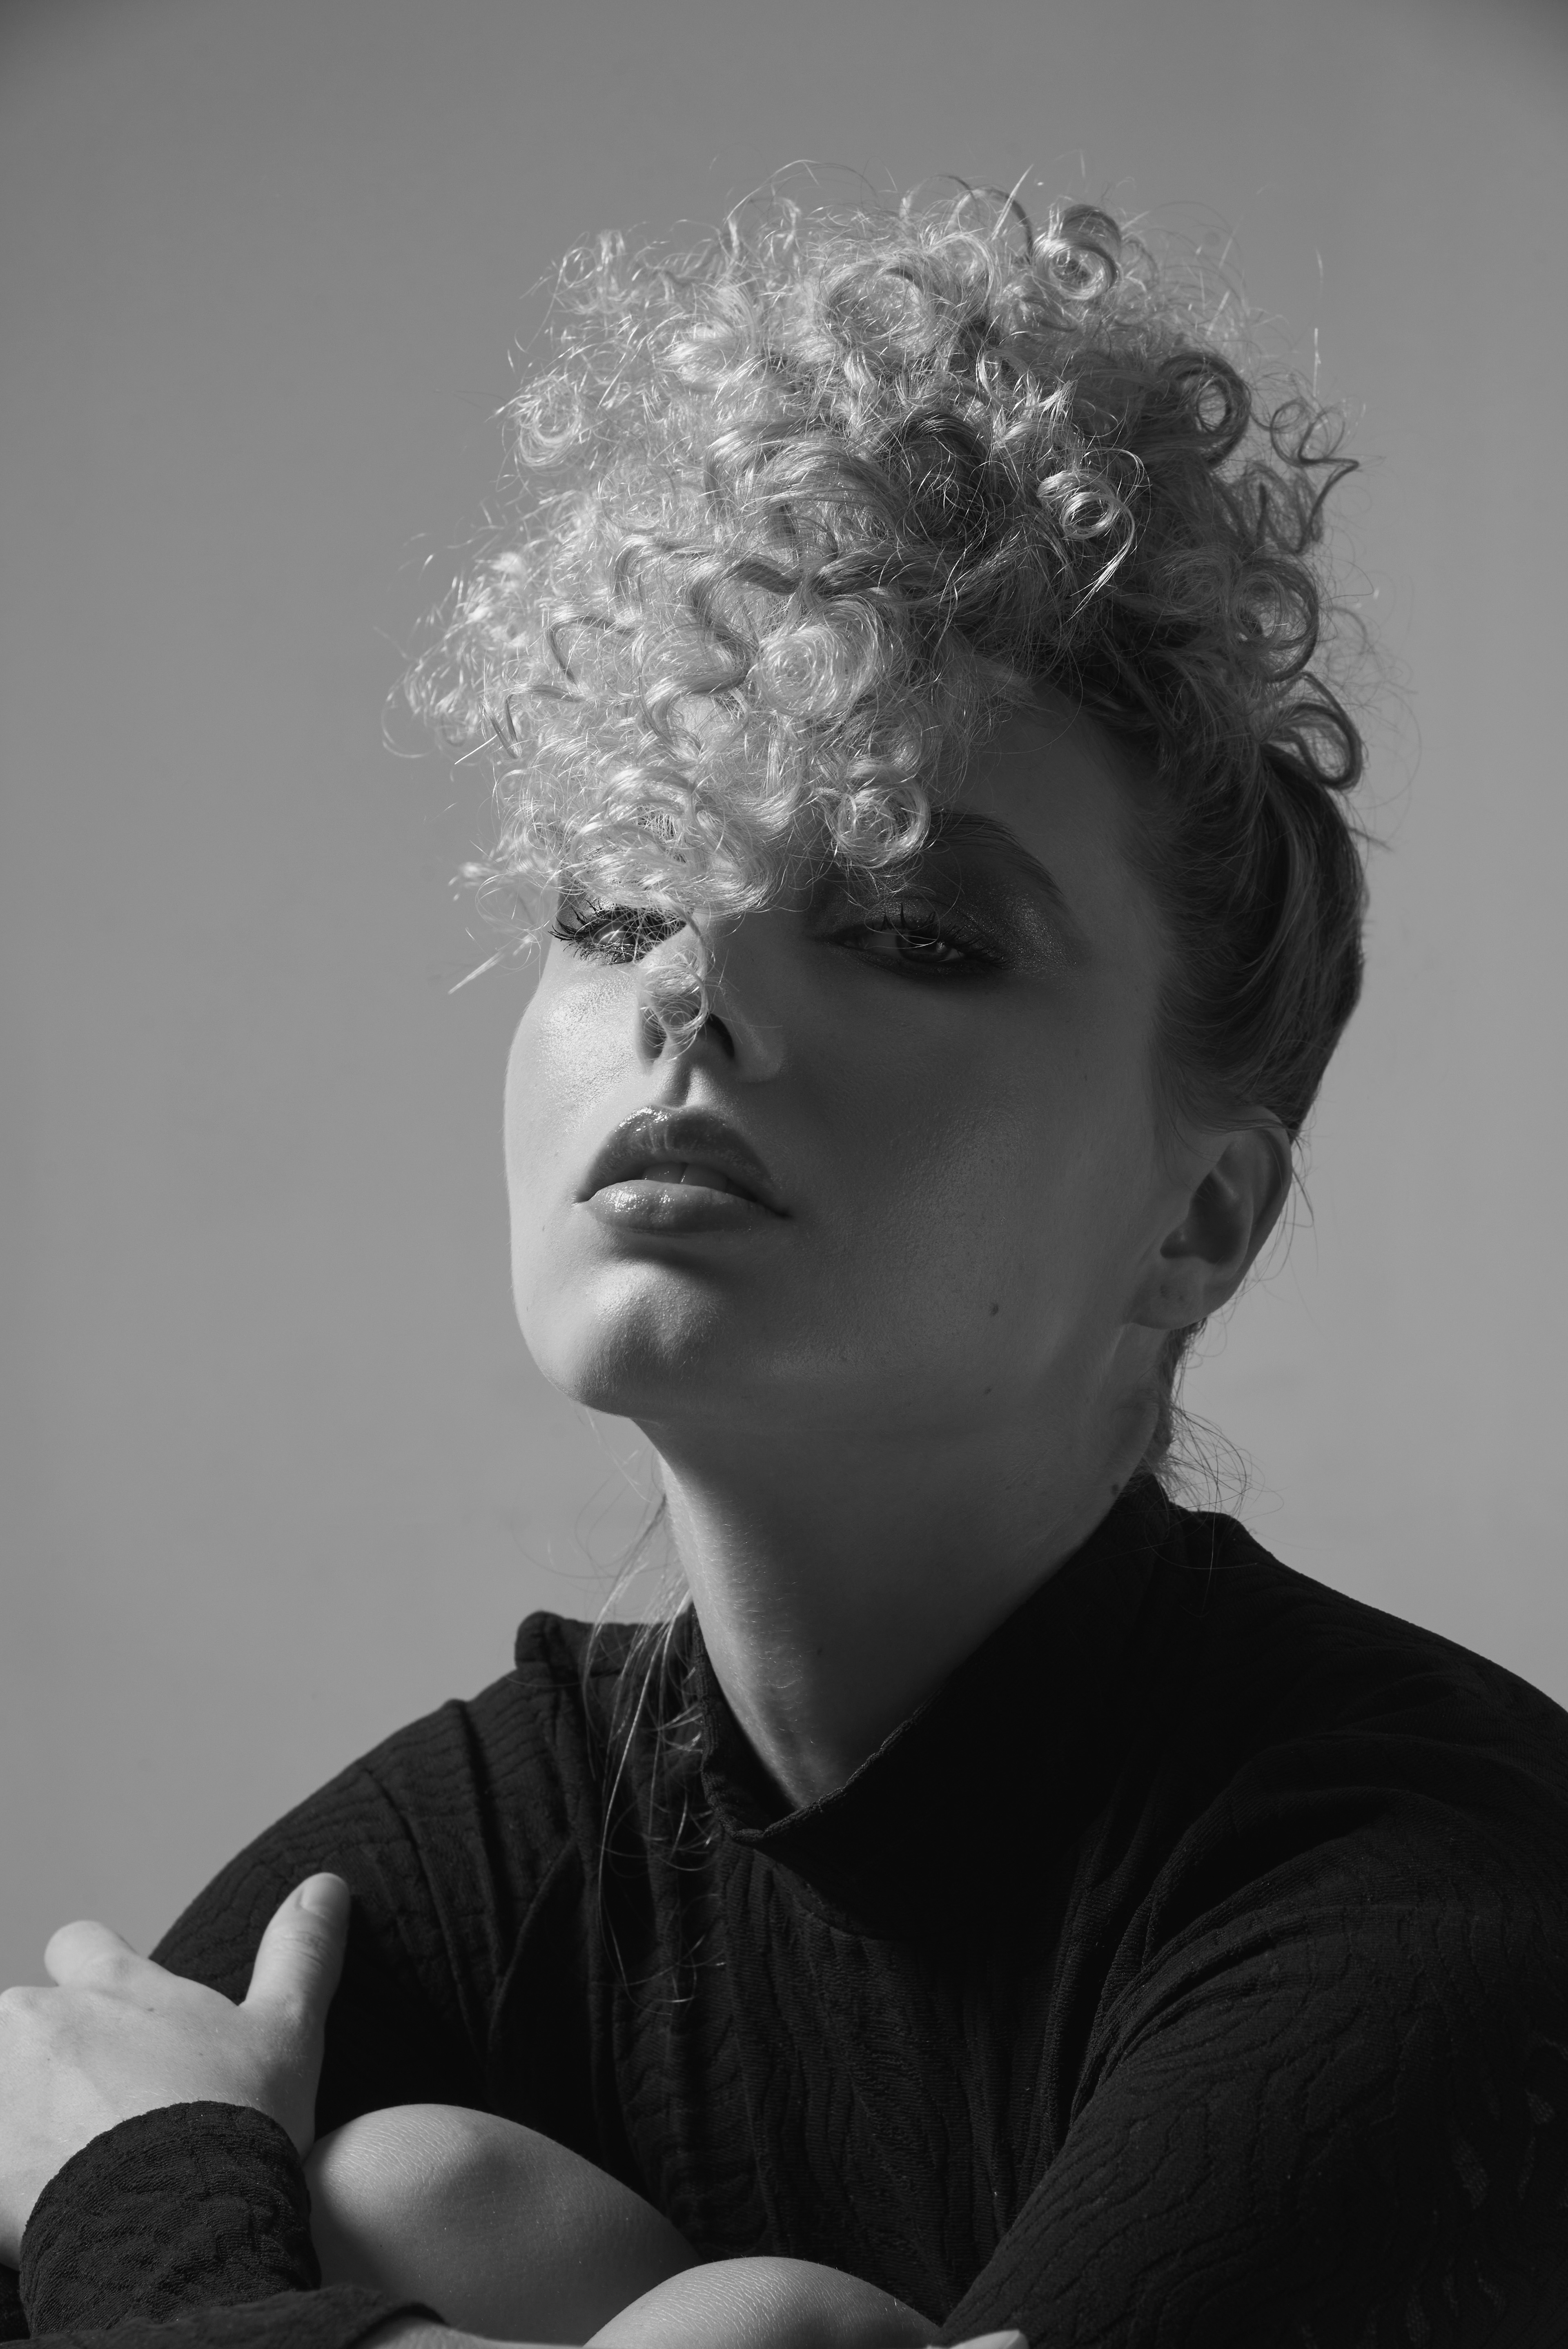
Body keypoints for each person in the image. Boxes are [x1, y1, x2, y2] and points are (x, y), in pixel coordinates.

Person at [4, 185, 1568, 2349]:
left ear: (1198, 1219)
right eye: (623, 905)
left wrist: (151, 2208)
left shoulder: (1443, 1887)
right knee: (428, 2189)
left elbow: (113, 2210)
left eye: (916, 930)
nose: (694, 996)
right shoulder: (516, 1830)